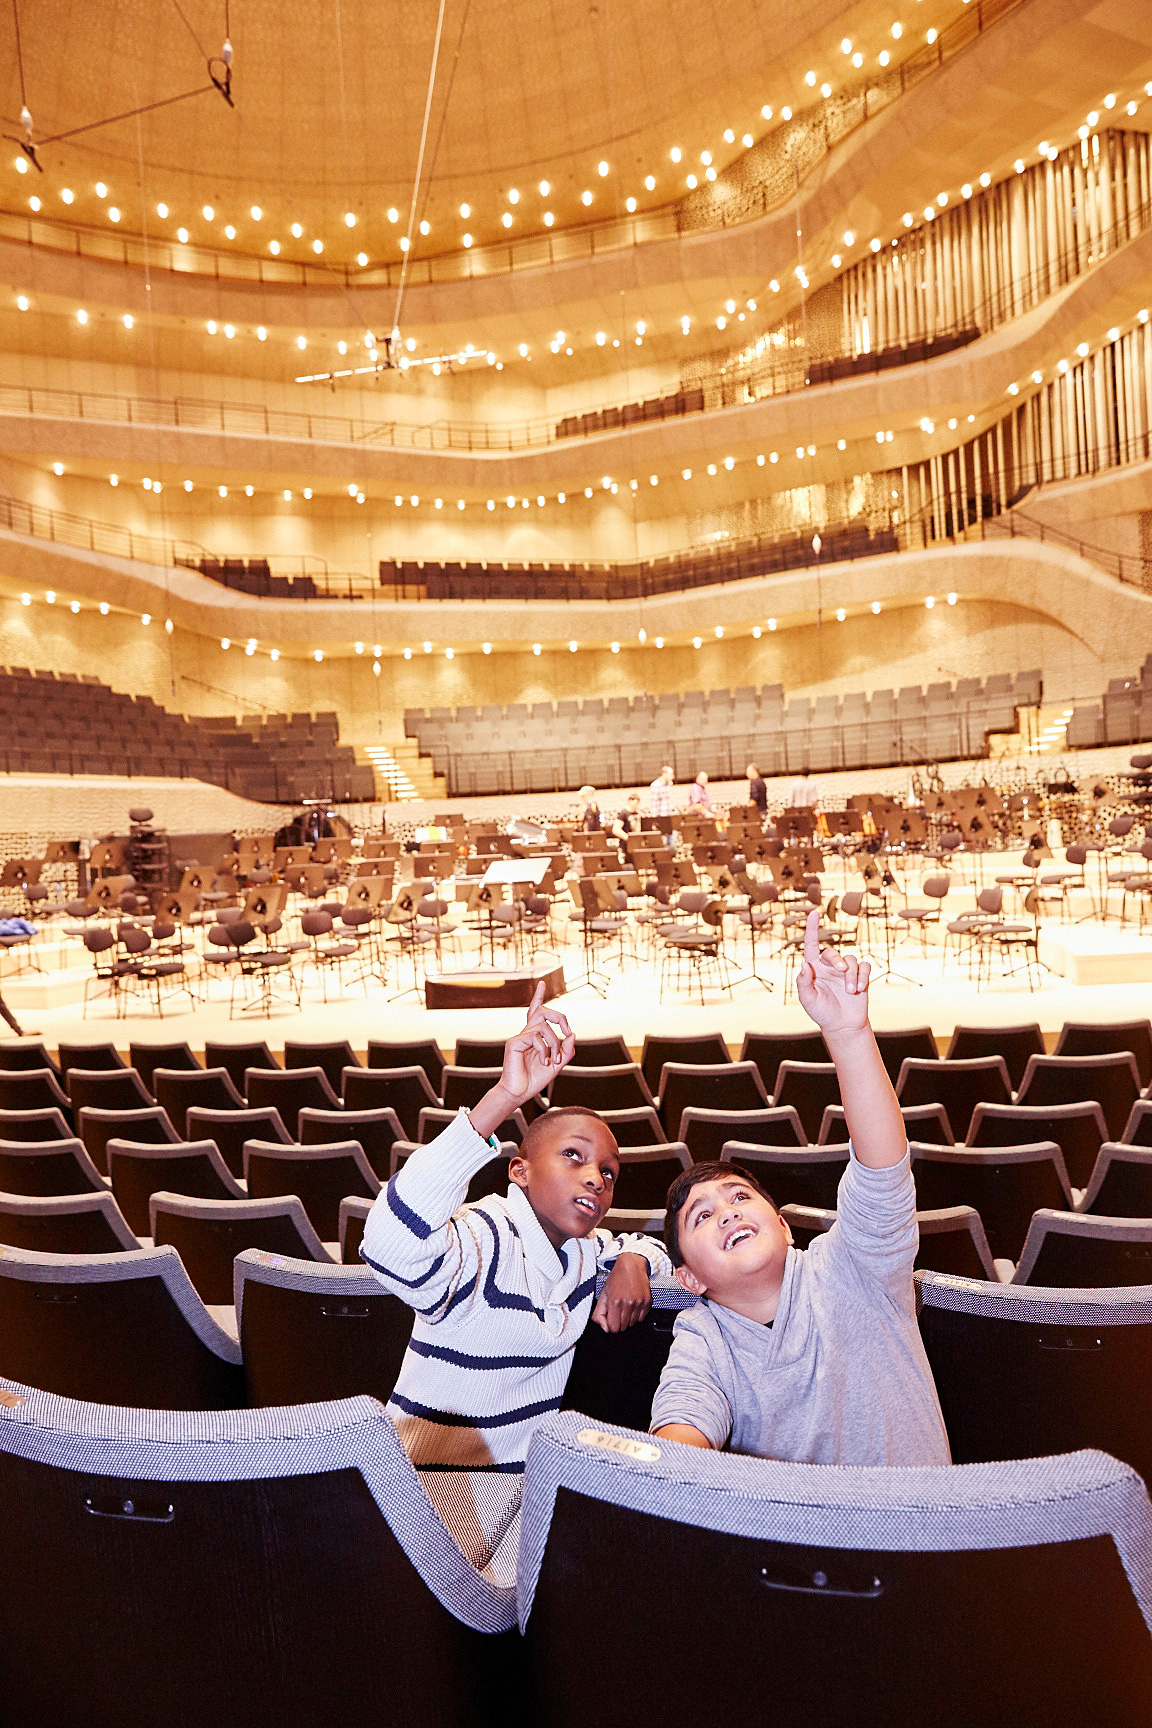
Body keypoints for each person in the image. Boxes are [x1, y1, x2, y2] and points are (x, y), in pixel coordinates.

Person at [361, 985, 671, 1558]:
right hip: (424, 1505)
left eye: (609, 1173)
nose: (595, 1180)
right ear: (519, 1171)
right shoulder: (483, 1240)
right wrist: (502, 1098)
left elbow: (652, 1254)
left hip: (515, 1498)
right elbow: (388, 1245)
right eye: (573, 1156)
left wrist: (634, 1259)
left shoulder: (585, 1254)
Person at [650, 909, 950, 1468]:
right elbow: (683, 1424)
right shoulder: (702, 1335)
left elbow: (881, 1170)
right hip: (798, 1553)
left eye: (741, 1197)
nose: (728, 1213)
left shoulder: (853, 1266)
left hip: (921, 1539)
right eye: (702, 1215)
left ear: (785, 1226)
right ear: (687, 1277)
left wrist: (848, 1033)